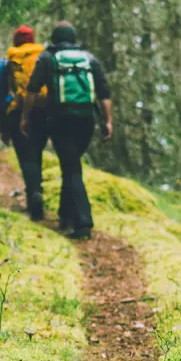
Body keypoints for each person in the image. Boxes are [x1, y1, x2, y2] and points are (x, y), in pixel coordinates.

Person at [21, 21, 112, 239]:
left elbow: (32, 90)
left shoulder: (47, 58)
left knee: (71, 169)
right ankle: (66, 215)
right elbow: (104, 93)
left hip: (60, 120)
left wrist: (25, 117)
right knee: (71, 165)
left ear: (53, 38)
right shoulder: (89, 59)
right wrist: (108, 121)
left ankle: (83, 223)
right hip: (86, 120)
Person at [0, 24, 47, 220]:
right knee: (37, 152)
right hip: (42, 111)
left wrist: (2, 125)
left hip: (17, 112)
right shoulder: (43, 57)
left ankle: (33, 193)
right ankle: (37, 190)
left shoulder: (7, 61)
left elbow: (0, 94)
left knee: (25, 155)